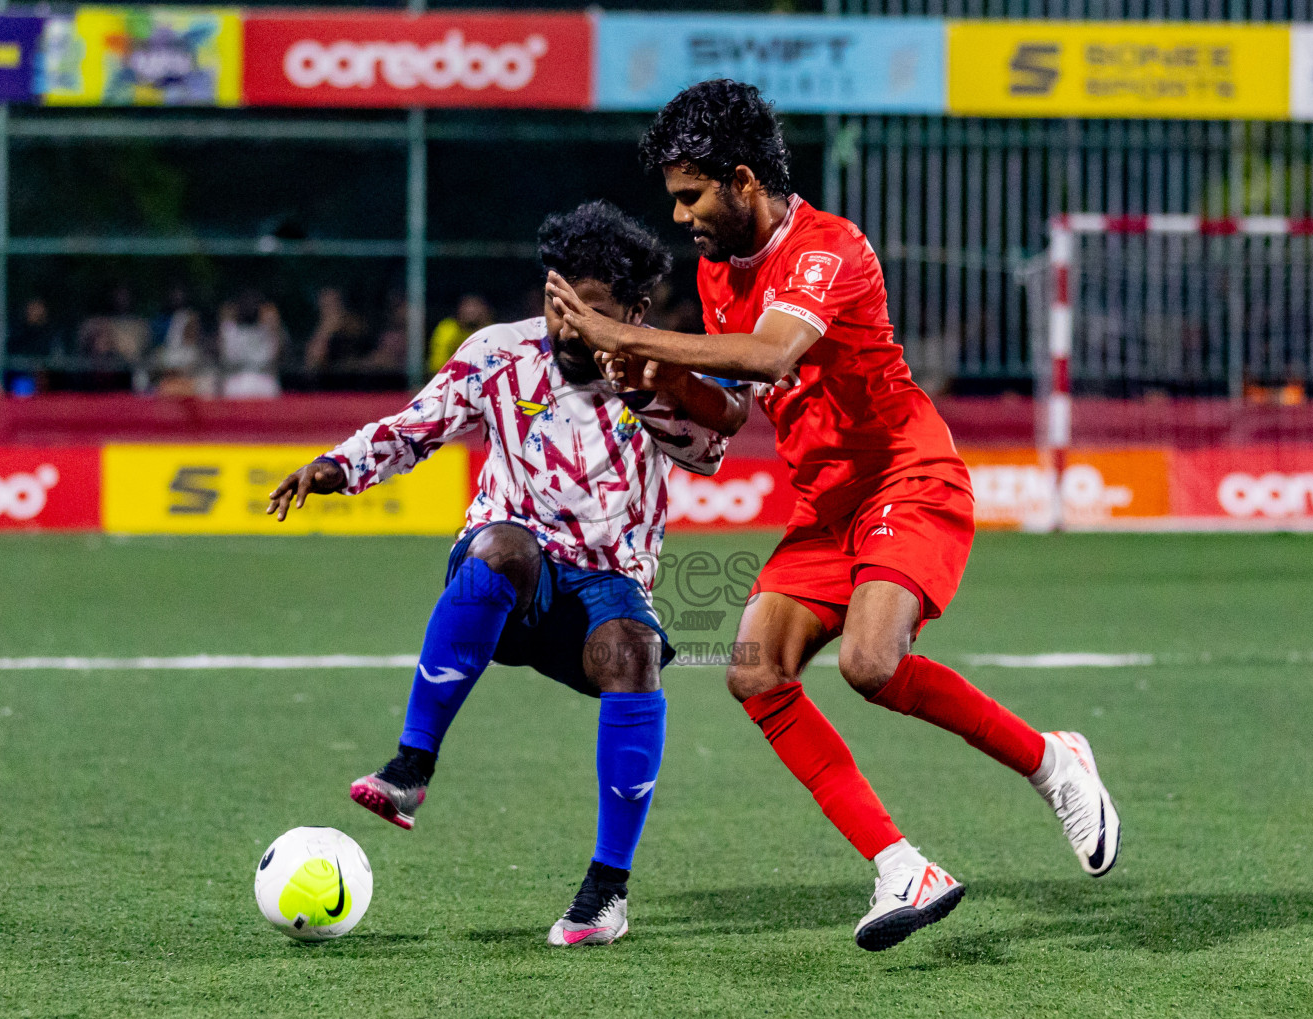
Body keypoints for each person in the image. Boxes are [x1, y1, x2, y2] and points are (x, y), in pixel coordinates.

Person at [545, 80, 1120, 952]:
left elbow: (773, 349)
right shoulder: (713, 273)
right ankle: (901, 866)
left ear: (742, 179)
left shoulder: (827, 248)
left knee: (869, 662)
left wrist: (628, 337)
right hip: (824, 508)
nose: (682, 214)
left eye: (692, 194)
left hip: (904, 476)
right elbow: (735, 403)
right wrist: (658, 385)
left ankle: (1051, 762)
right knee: (755, 670)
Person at [267, 201, 749, 947]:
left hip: (604, 587)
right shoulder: (498, 354)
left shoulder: (665, 371)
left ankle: (604, 894)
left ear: (633, 311)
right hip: (503, 572)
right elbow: (413, 427)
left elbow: (708, 451)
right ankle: (411, 766)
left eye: (589, 312)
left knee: (635, 652)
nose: (566, 325)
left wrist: (642, 383)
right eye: (557, 303)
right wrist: (337, 466)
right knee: (507, 547)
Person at [425, 293, 493, 375]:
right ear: (459, 309)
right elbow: (438, 365)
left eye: (476, 306)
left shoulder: (492, 331)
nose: (471, 310)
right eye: (468, 306)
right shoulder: (447, 329)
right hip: (452, 378)